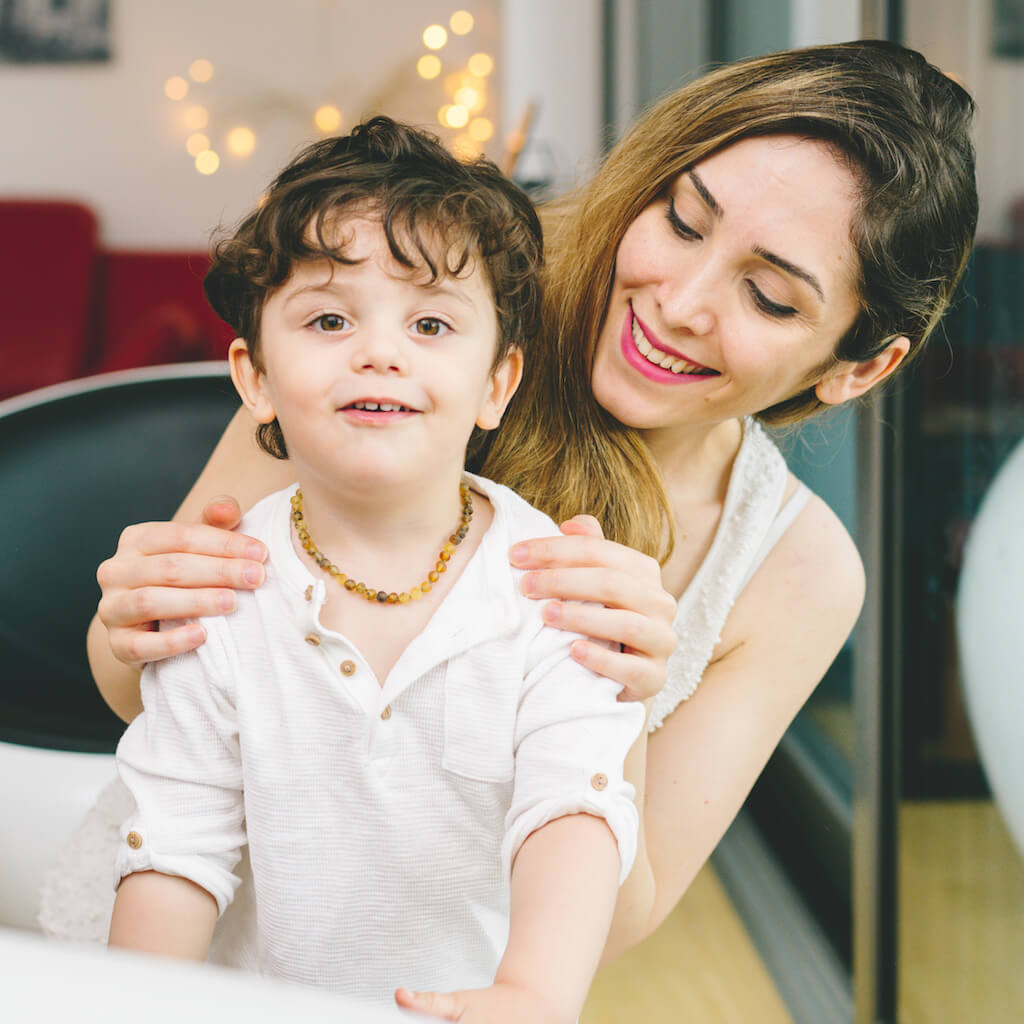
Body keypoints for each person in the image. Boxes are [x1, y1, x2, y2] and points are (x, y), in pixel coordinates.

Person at [55, 38, 977, 1012]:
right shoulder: (426, 303)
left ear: (858, 365)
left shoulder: (797, 572)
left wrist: (603, 693)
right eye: (682, 219)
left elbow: (614, 916)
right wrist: (132, 624)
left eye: (768, 294)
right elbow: (152, 700)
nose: (681, 301)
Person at [103, 116, 645, 1024]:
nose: (380, 350)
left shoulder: (554, 582)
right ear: (256, 377)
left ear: (498, 384)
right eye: (328, 318)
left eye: (431, 322)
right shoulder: (225, 587)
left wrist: (535, 993)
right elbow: (173, 845)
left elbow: (575, 805)